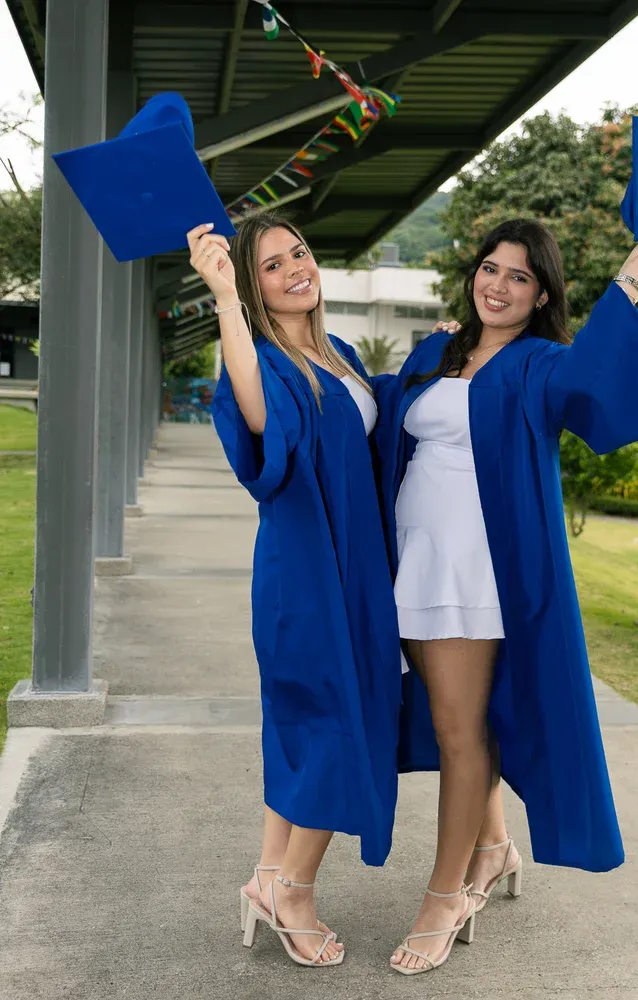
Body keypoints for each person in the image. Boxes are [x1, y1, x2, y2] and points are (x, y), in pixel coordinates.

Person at [373, 213, 638, 975]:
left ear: (542, 294)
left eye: (519, 277)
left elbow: (596, 377)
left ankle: (444, 898)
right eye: (491, 268)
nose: (498, 285)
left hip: (475, 574)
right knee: (460, 720)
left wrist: (637, 272)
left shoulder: (541, 364)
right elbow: (381, 417)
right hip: (414, 563)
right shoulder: (438, 351)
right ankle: (492, 848)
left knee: (459, 733)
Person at [187, 211, 402, 968]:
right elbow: (256, 416)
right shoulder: (267, 360)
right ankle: (294, 893)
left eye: (298, 253)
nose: (293, 269)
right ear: (254, 287)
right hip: (307, 572)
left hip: (355, 568)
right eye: (271, 266)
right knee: (336, 723)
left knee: (307, 726)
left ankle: (267, 877)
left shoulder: (339, 354)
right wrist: (224, 298)